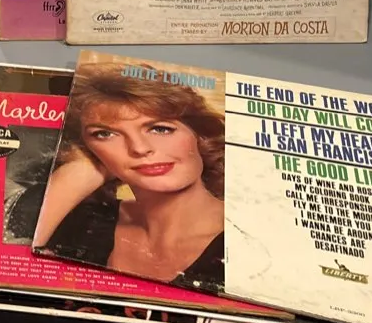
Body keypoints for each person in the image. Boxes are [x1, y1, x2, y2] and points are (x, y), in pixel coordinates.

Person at [30, 61, 226, 292]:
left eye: (160, 128)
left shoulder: (249, 239)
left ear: (200, 135)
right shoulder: (81, 222)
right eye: (105, 134)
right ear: (87, 149)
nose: (139, 148)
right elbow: (2, 272)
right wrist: (73, 176)